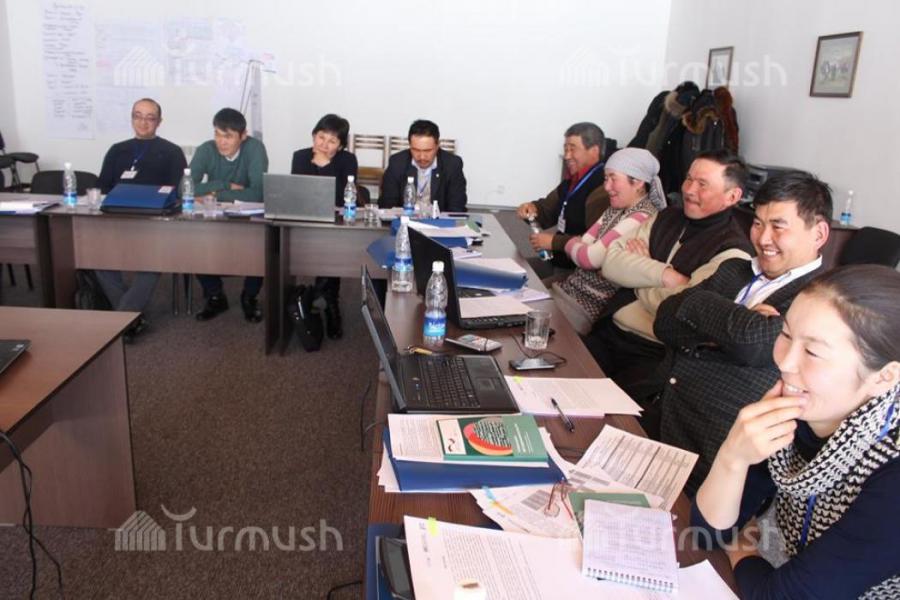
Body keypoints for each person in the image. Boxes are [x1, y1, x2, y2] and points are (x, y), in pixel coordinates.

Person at [692, 265, 900, 598]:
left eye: (813, 352)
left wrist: (743, 551)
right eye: (786, 335)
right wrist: (733, 456)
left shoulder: (891, 471)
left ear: (884, 377)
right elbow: (708, 533)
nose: (785, 362)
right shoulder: (804, 410)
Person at [653, 171, 831, 492]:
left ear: (818, 233)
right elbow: (664, 320)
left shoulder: (822, 297)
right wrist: (736, 320)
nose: (763, 238)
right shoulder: (735, 269)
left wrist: (696, 306)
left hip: (715, 447)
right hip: (661, 409)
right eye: (758, 223)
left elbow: (755, 343)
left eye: (778, 226)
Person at [583, 149, 754, 401]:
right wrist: (666, 275)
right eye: (689, 179)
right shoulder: (666, 217)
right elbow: (610, 263)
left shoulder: (733, 252)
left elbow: (681, 312)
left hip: (655, 354)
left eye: (702, 184)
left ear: (732, 196)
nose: (689, 190)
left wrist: (639, 273)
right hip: (609, 329)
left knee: (600, 407)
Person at [95, 98, 187, 341]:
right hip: (116, 221)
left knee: (152, 262)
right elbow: (102, 186)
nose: (143, 122)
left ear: (159, 122)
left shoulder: (171, 152)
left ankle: (122, 319)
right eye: (138, 116)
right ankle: (131, 318)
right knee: (97, 258)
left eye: (150, 117)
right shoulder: (117, 150)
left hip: (153, 224)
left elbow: (176, 192)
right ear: (131, 118)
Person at [551, 148, 663, 335]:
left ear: (637, 182)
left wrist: (573, 245)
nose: (607, 187)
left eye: (613, 178)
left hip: (587, 305)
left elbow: (588, 258)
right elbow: (585, 252)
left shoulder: (642, 217)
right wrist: (583, 250)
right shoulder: (615, 209)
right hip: (570, 289)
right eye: (605, 179)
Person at [190, 108, 269, 322]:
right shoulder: (206, 149)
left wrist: (212, 193)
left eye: (228, 136)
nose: (221, 142)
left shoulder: (254, 149)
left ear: (243, 136)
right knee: (191, 242)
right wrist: (224, 185)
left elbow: (258, 193)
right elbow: (186, 188)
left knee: (262, 244)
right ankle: (215, 295)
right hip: (214, 215)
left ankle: (249, 296)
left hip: (249, 216)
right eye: (217, 134)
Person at [290, 113, 359, 338]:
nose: (324, 145)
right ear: (313, 136)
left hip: (336, 225)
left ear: (340, 146)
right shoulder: (300, 157)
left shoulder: (347, 161)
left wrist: (326, 166)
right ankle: (328, 302)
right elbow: (299, 194)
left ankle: (325, 300)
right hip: (305, 223)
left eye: (332, 141)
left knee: (331, 247)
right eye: (321, 138)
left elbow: (342, 198)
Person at [516, 122, 609, 273]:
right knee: (512, 271)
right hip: (558, 261)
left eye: (572, 149)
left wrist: (554, 242)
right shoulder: (571, 180)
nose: (566, 156)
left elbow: (594, 241)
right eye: (565, 149)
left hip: (578, 272)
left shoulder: (603, 189)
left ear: (594, 151)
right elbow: (547, 211)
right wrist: (532, 209)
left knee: (523, 280)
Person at [380, 119, 467, 212]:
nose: (422, 157)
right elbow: (387, 205)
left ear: (437, 146)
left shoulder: (452, 165)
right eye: (416, 150)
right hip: (405, 218)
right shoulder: (397, 162)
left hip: (439, 220)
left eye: (427, 151)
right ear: (409, 145)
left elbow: (457, 207)